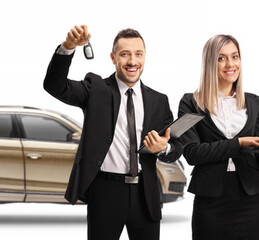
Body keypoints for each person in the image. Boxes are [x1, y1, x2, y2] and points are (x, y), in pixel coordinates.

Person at [43, 25, 183, 240]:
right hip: (106, 191)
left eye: (138, 54)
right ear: (113, 57)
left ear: (145, 57)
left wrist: (164, 148)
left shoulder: (159, 101)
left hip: (145, 194)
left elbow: (176, 148)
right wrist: (68, 47)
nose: (132, 61)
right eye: (124, 54)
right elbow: (54, 85)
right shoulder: (95, 89)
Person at [177, 34, 259, 240]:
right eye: (221, 58)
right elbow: (192, 153)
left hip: (250, 199)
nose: (230, 64)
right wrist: (237, 144)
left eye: (235, 56)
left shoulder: (254, 103)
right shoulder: (192, 102)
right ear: (210, 63)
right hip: (211, 200)